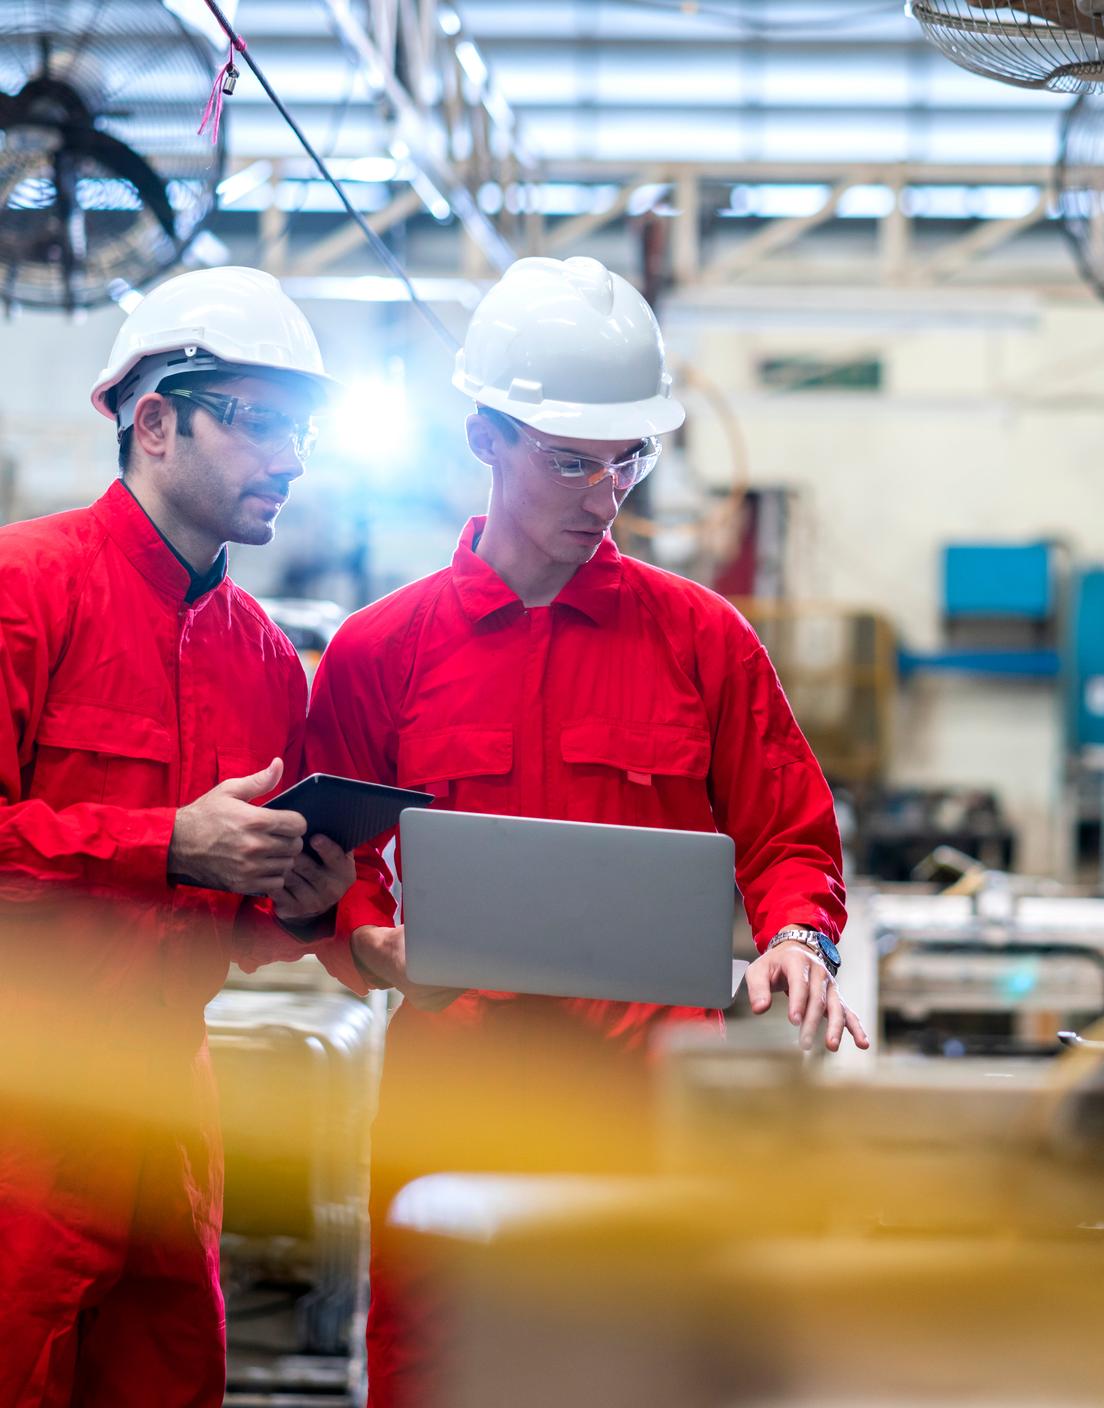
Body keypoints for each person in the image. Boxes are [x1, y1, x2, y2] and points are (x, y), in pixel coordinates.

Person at [304, 255, 868, 1403]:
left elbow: (789, 838)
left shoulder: (703, 642)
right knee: (439, 1364)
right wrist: (366, 939)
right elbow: (334, 856)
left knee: (656, 1367)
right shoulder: (382, 651)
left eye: (628, 461)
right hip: (460, 1085)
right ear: (484, 438)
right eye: (572, 461)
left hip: (655, 1091)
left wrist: (799, 940)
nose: (604, 494)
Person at [0, 265, 357, 1407]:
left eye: (302, 429)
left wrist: (297, 902)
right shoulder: (23, 590)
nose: (292, 460)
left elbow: (234, 924)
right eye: (262, 424)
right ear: (154, 421)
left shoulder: (262, 656)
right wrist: (163, 842)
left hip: (167, 1103)